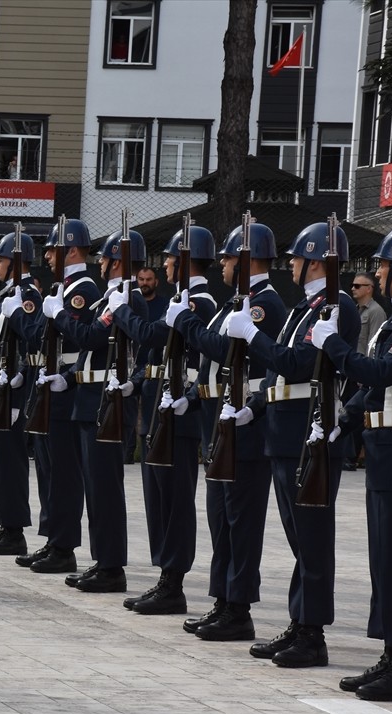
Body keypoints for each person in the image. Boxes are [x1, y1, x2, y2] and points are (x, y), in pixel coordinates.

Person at [224, 221, 360, 668]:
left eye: (298, 259)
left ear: (317, 260)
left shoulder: (335, 306)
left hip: (309, 435)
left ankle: (312, 633)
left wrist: (252, 335)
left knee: (313, 540)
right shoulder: (310, 306)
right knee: (301, 539)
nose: (292, 266)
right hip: (285, 433)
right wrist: (255, 407)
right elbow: (280, 376)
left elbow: (297, 364)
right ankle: (301, 623)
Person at [172, 221, 287, 641]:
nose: (222, 262)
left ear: (247, 259)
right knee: (221, 519)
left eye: (228, 256)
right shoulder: (236, 303)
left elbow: (227, 350)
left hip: (247, 426)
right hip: (221, 422)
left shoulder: (265, 306)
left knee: (241, 522)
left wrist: (186, 324)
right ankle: (223, 601)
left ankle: (239, 608)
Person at [111, 226, 217, 615]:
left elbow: (153, 337)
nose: (166, 266)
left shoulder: (200, 303)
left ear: (185, 262)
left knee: (174, 501)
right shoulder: (181, 299)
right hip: (160, 409)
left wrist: (120, 309)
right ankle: (164, 577)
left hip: (180, 416)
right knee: (158, 499)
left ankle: (174, 582)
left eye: (171, 260)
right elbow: (155, 355)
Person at [39, 229, 148, 594]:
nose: (99, 263)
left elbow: (88, 338)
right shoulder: (110, 298)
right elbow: (90, 356)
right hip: (90, 402)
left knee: (105, 491)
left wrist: (57, 314)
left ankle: (112, 567)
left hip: (108, 405)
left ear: (117, 261)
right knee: (96, 489)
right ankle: (103, 561)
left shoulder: (126, 299)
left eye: (103, 258)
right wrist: (67, 379)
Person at [309, 229, 392, 701]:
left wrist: (334, 348)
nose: (378, 273)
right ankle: (388, 654)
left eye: (383, 266)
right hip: (382, 453)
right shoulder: (389, 325)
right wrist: (345, 418)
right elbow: (371, 388)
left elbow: (380, 373)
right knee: (382, 563)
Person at [12, 219, 100, 576]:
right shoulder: (62, 288)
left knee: (63, 472)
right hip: (51, 384)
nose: (47, 255)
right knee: (48, 468)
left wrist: (58, 314)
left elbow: (80, 342)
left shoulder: (83, 289)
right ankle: (53, 540)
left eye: (52, 249)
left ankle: (64, 547)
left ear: (72, 250)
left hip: (68, 387)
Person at [0, 229, 43, 556]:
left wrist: (20, 388)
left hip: (10, 390)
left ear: (15, 261)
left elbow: (32, 343)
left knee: (11, 461)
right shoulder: (7, 294)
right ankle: (6, 527)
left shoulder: (26, 294)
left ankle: (14, 532)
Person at [346, 270, 388, 469]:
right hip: (358, 371)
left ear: (369, 289)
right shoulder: (357, 310)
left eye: (358, 286)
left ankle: (354, 454)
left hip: (367, 372)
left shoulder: (376, 312)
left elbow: (375, 346)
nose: (353, 288)